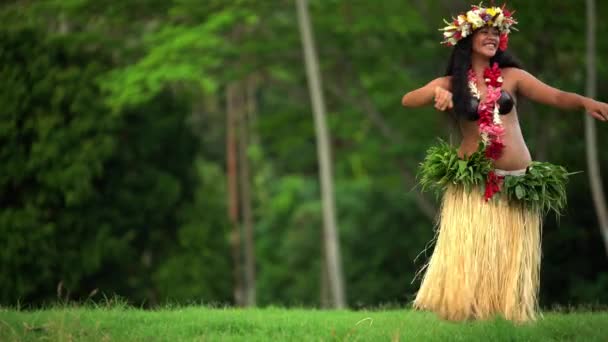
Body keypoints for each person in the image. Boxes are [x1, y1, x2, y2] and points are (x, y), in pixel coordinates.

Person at [401, 3, 608, 323]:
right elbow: (409, 99)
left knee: (509, 258)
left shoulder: (512, 77)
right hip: (477, 182)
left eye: (496, 32)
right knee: (474, 257)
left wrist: (585, 102)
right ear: (467, 39)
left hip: (518, 181)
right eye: (485, 31)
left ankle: (504, 313)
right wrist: (434, 97)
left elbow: (554, 96)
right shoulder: (449, 84)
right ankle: (467, 313)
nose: (492, 37)